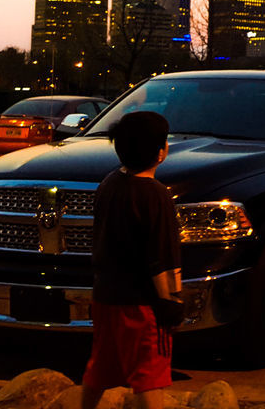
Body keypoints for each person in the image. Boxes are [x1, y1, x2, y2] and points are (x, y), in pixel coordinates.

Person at [81, 111, 182, 409]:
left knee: (101, 366)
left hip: (106, 296)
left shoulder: (109, 183)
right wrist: (171, 301)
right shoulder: (156, 196)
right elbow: (162, 257)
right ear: (160, 151)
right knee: (149, 374)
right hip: (142, 304)